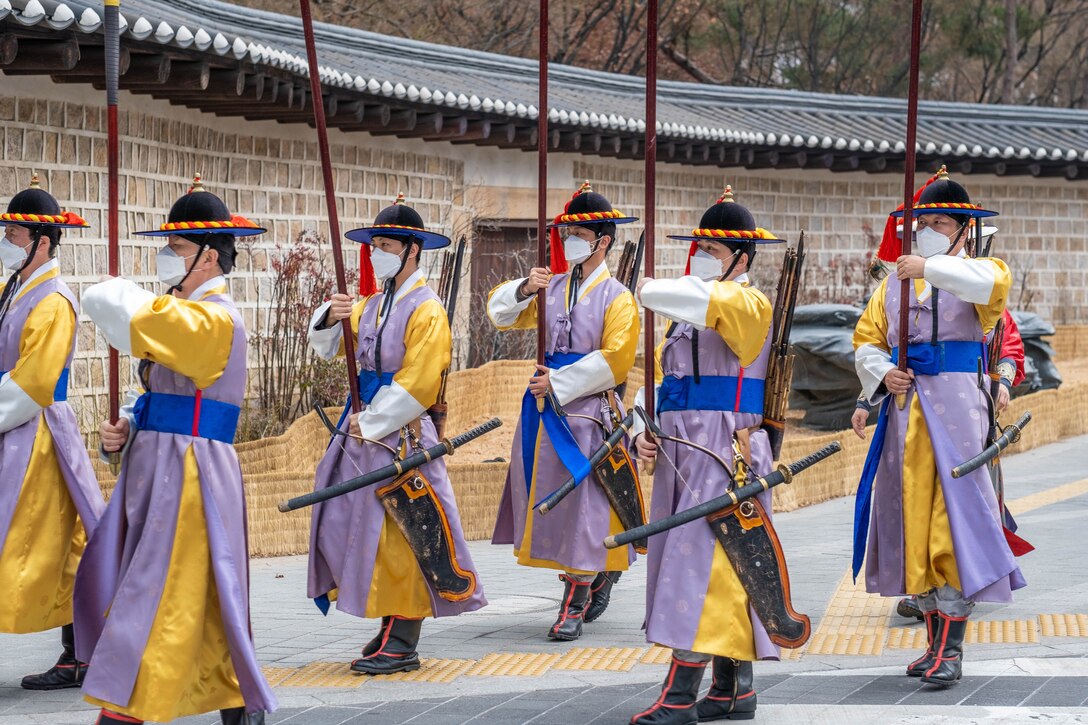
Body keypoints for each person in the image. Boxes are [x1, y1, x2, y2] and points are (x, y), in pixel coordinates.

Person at [74, 176, 276, 724]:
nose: (166, 258)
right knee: (194, 586)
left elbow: (110, 304)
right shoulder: (186, 311)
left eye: (177, 249)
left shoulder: (213, 318)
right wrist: (126, 431)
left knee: (157, 589)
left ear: (209, 258)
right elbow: (160, 393)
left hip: (189, 471)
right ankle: (234, 695)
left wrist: (113, 284)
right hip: (162, 461)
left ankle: (128, 708)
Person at [851, 170, 1024, 688]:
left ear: (964, 230)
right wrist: (884, 373)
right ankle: (931, 642)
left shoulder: (985, 271)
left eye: (939, 222)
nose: (926, 228)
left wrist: (930, 265)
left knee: (952, 522)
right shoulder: (893, 285)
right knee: (911, 522)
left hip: (959, 414)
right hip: (906, 415)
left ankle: (951, 650)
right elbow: (866, 341)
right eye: (921, 222)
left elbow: (985, 287)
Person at [307, 194, 486, 675]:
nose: (377, 251)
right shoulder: (373, 302)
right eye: (374, 244)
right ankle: (390, 623)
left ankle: (404, 636)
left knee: (406, 529)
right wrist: (330, 316)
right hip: (363, 426)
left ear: (412, 250)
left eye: (386, 244)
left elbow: (420, 380)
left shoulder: (427, 309)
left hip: (399, 429)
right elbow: (329, 347)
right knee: (361, 526)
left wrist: (372, 421)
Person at [629, 187, 782, 724]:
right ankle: (733, 687)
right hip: (680, 445)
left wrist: (649, 288)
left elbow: (707, 303)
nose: (700, 258)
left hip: (722, 445)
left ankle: (680, 693)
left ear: (742, 258)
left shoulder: (747, 301)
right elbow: (665, 380)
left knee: (702, 562)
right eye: (698, 247)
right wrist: (642, 429)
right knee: (708, 561)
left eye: (713, 251)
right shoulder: (685, 306)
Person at [489, 182, 640, 641]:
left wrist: (558, 381)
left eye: (578, 234)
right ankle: (589, 575)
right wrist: (522, 288)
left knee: (584, 506)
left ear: (603, 242)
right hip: (542, 407)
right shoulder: (551, 286)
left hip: (587, 413)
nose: (568, 241)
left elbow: (615, 360)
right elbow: (501, 314)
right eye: (565, 233)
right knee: (552, 500)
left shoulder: (618, 297)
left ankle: (575, 600)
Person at [0, 174, 104, 691]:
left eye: (14, 234)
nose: (6, 242)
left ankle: (80, 653)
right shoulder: (15, 288)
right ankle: (79, 651)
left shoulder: (55, 300)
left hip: (37, 429)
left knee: (63, 538)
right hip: (13, 426)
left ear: (42, 241)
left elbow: (34, 381)